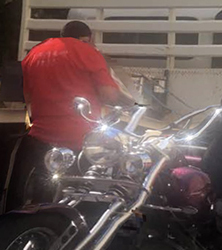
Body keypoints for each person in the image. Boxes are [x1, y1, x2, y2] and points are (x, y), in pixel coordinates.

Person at [8, 21, 134, 210]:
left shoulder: (34, 54)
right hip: (79, 142)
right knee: (77, 202)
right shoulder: (88, 52)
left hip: (39, 140)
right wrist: (128, 101)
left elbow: (29, 99)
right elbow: (109, 94)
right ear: (87, 39)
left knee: (41, 197)